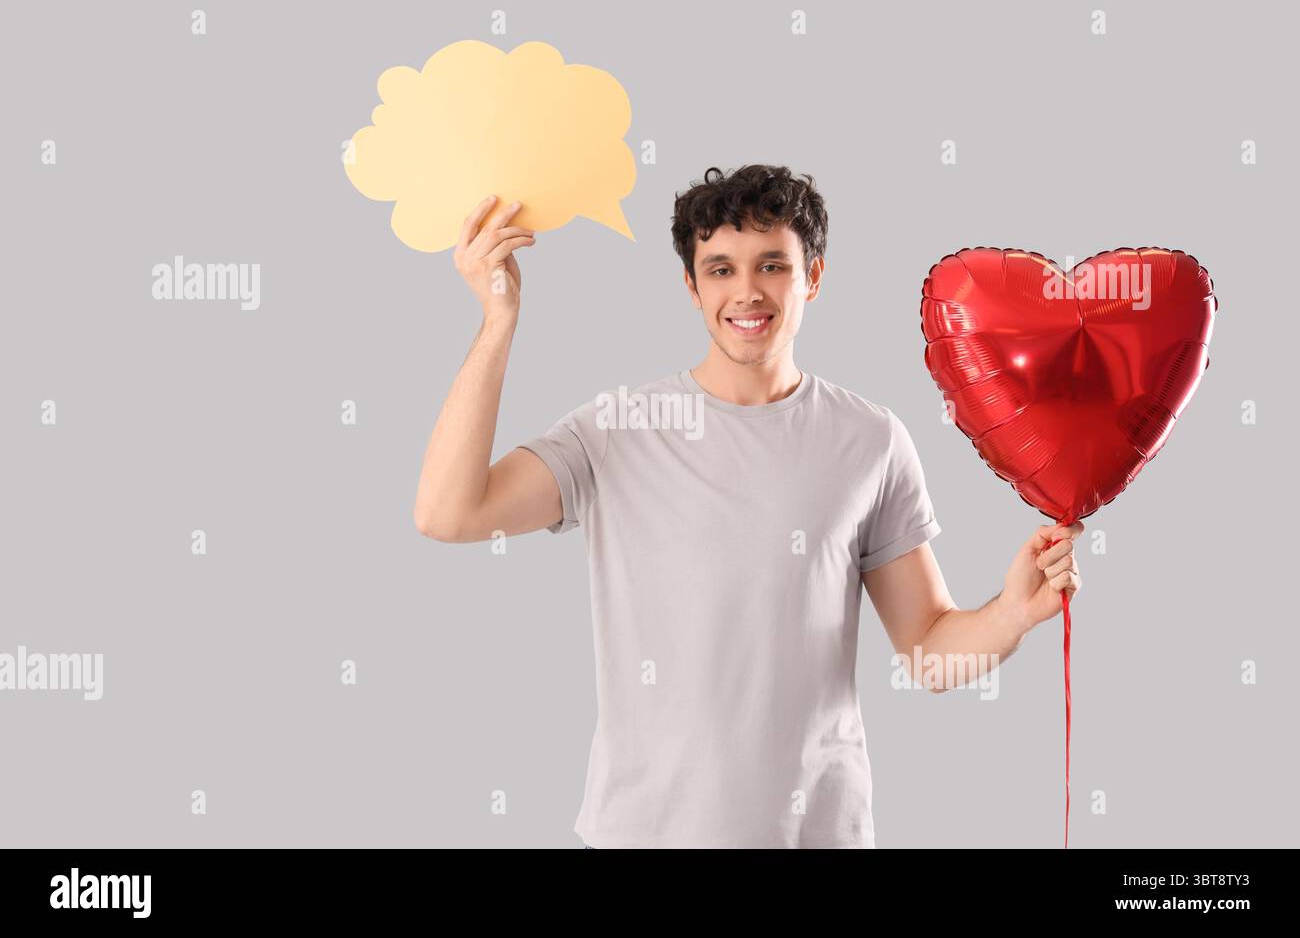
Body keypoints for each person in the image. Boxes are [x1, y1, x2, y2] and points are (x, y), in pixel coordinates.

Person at [413, 164, 1083, 848]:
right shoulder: (617, 429)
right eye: (721, 269)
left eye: (772, 265)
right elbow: (449, 513)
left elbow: (928, 654)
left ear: (813, 278)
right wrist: (498, 322)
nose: (747, 292)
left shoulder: (871, 440)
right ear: (692, 286)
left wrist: (1010, 615)